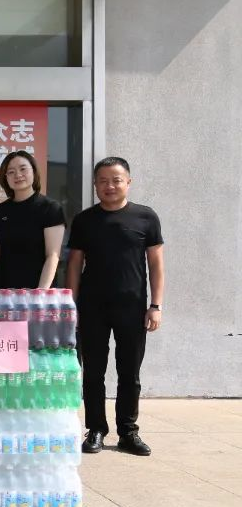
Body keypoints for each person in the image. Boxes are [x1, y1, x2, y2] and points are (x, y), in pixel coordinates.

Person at [67, 157, 164, 457]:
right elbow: (74, 265)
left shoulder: (146, 217)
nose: (109, 186)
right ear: (95, 185)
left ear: (128, 182)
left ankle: (128, 432)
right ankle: (96, 428)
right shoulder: (84, 220)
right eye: (103, 181)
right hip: (92, 307)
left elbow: (156, 264)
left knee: (129, 372)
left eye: (116, 180)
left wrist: (156, 305)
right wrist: (71, 305)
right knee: (93, 372)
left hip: (132, 307)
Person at [0, 150, 66, 289]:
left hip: (38, 290)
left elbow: (52, 256)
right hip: (5, 291)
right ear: (5, 178)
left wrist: (41, 293)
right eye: (11, 172)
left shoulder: (50, 208)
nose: (18, 175)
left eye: (23, 169)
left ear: (34, 171)